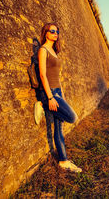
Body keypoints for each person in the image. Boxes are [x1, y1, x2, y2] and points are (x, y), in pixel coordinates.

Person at [35, 22, 82, 173]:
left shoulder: (54, 51)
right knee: (73, 117)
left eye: (57, 31)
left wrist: (61, 94)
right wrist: (49, 98)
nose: (56, 33)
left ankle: (63, 161)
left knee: (58, 128)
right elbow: (42, 74)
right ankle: (42, 105)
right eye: (52, 31)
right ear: (46, 33)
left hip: (57, 92)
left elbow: (58, 76)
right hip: (49, 93)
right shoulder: (43, 50)